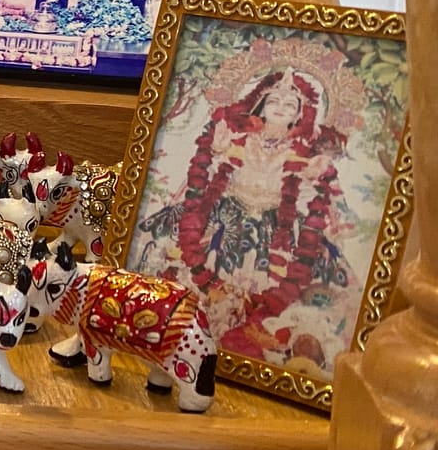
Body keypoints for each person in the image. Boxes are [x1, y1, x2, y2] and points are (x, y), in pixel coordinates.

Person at [132, 67, 352, 363]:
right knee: (180, 260)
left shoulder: (304, 152)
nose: (281, 108)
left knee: (298, 286)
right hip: (224, 221)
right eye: (274, 101)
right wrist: (216, 150)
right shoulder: (238, 137)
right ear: (260, 104)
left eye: (290, 105)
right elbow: (207, 175)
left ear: (300, 115)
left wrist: (315, 176)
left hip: (277, 229)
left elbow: (314, 199)